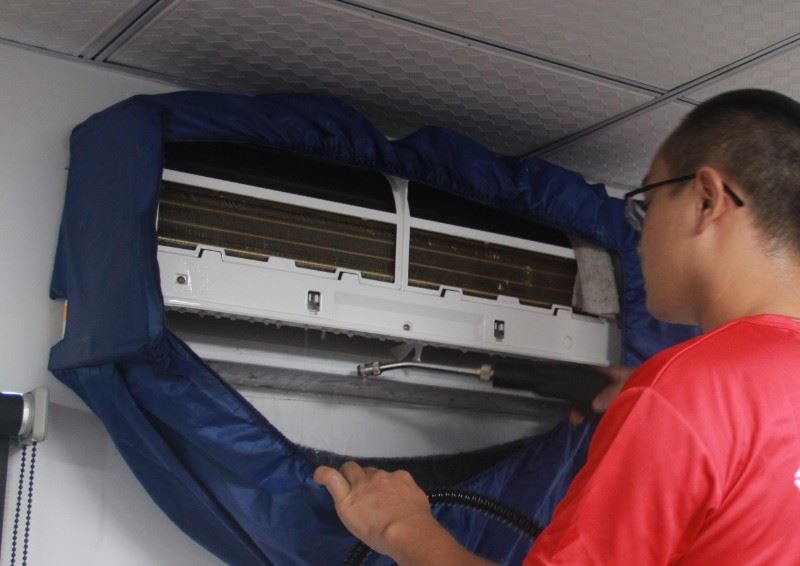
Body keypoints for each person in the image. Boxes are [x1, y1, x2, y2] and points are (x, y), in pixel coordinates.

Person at [314, 89, 800, 564]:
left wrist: (399, 527)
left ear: (707, 200)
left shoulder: (687, 392)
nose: (639, 239)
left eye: (646, 205)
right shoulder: (722, 394)